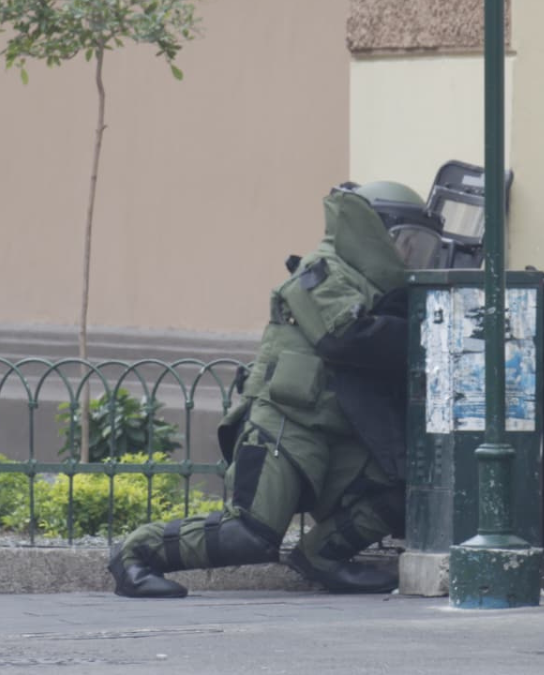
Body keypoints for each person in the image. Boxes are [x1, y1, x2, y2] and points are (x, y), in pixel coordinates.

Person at [108, 181, 434, 598]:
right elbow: (348, 335)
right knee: (250, 533)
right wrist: (425, 329)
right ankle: (135, 554)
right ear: (373, 231)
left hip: (342, 428)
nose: (411, 256)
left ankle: (321, 557)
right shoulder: (322, 271)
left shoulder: (374, 286)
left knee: (405, 490)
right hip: (287, 422)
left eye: (420, 247)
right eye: (406, 243)